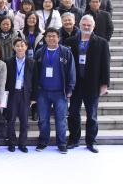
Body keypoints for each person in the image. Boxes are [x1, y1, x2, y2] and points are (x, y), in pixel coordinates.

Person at [67, 15, 110, 153]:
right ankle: (74, 139)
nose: (86, 27)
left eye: (89, 25)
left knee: (91, 115)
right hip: (75, 84)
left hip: (92, 84)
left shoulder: (102, 43)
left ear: (93, 26)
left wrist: (104, 84)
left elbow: (105, 65)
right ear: (79, 25)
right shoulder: (70, 41)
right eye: (84, 25)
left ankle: (91, 141)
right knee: (73, 113)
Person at [34, 28, 76, 153]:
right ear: (45, 38)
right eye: (49, 36)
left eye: (54, 36)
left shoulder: (66, 52)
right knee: (43, 119)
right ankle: (43, 141)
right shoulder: (39, 52)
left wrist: (70, 88)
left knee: (61, 119)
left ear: (58, 38)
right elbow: (35, 72)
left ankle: (62, 143)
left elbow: (71, 71)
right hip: (43, 92)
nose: (51, 38)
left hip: (60, 92)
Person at [6, 37, 36, 153]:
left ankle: (22, 143)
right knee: (11, 119)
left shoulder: (32, 62)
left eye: (22, 45)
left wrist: (33, 97)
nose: (20, 48)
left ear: (26, 47)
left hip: (25, 94)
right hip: (12, 93)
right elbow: (5, 80)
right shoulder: (8, 62)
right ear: (14, 47)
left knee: (24, 120)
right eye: (17, 45)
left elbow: (35, 81)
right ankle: (12, 143)